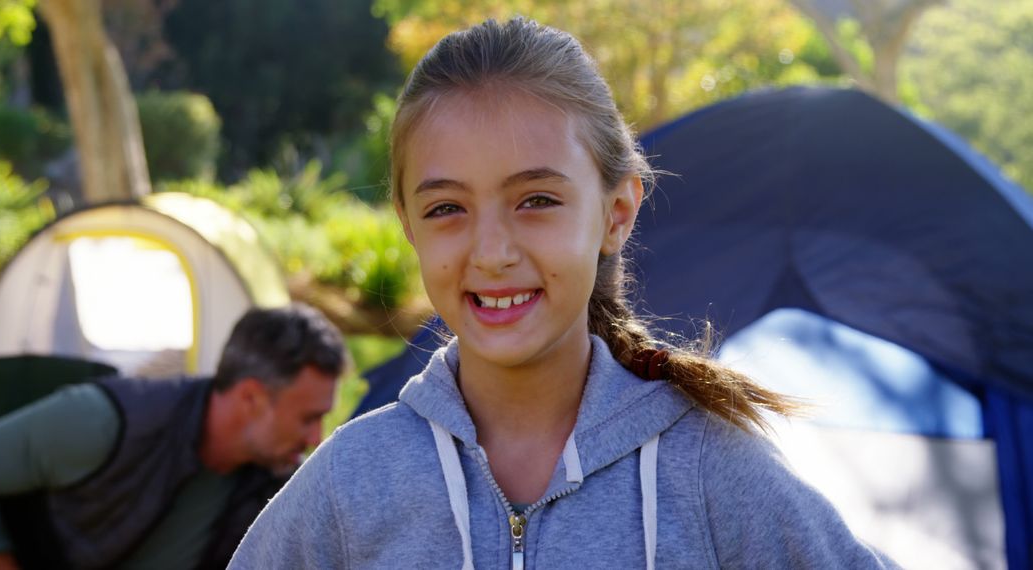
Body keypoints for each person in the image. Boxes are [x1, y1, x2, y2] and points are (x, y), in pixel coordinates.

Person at [229, 18, 896, 569]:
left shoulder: (706, 468)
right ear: (408, 224)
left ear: (617, 211)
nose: (492, 252)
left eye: (537, 200)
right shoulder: (354, 481)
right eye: (446, 209)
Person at [0, 303, 347, 570]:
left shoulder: (273, 487)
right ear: (251, 398)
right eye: (308, 419)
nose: (317, 438)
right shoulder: (104, 421)